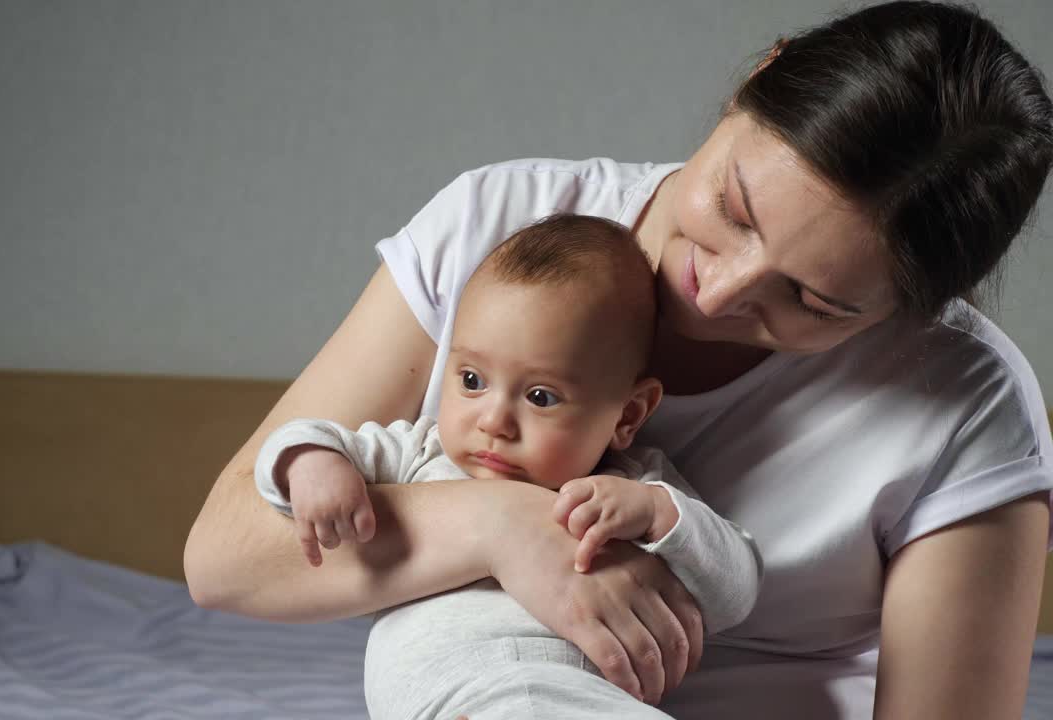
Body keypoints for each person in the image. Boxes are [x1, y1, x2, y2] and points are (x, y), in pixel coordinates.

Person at [184, 3, 1053, 718]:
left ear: (917, 308)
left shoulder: (966, 398)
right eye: (736, 209)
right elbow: (228, 559)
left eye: (815, 302)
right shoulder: (507, 228)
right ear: (758, 76)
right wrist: (505, 525)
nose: (719, 292)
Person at [252, 215, 763, 719]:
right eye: (472, 380)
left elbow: (735, 590)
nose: (494, 420)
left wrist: (661, 514)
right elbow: (305, 436)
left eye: (541, 396)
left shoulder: (630, 488)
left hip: (584, 702)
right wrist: (312, 464)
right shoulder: (419, 455)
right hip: (453, 700)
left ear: (627, 415)